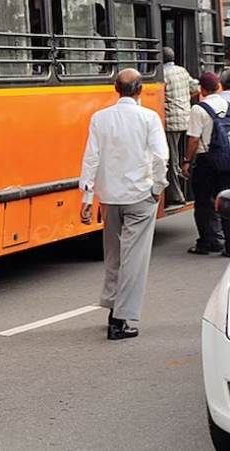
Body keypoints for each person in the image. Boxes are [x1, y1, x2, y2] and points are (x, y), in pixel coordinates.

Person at [79, 68, 168, 340]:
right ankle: (120, 320)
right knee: (134, 259)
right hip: (140, 195)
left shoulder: (100, 118)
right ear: (140, 90)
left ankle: (112, 306)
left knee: (114, 256)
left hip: (109, 197)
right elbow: (160, 156)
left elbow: (91, 158)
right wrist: (157, 187)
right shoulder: (148, 118)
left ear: (115, 89)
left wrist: (86, 196)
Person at [183, 72, 230, 256]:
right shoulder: (229, 106)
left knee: (203, 203)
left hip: (206, 161)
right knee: (226, 202)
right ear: (219, 87)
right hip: (227, 160)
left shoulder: (199, 109)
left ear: (202, 89)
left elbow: (194, 139)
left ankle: (208, 242)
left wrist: (187, 161)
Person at [161, 48, 196, 205]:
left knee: (172, 159)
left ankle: (177, 195)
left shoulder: (162, 74)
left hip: (171, 122)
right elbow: (196, 88)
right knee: (184, 155)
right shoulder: (182, 71)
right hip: (186, 119)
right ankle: (190, 190)